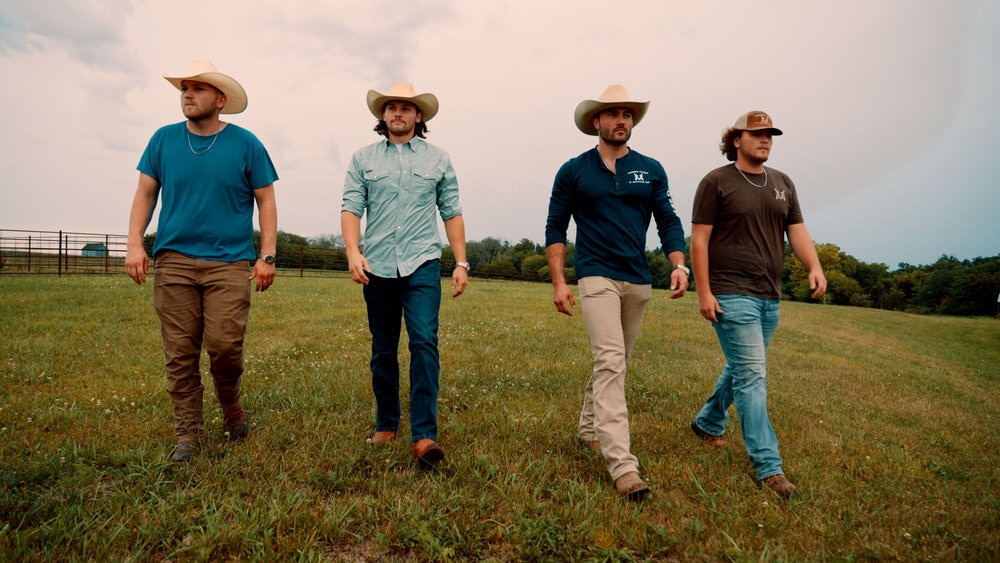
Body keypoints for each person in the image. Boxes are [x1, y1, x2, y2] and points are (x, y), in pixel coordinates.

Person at [125, 60, 279, 462]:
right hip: (174, 260)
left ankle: (231, 406)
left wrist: (267, 254)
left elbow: (266, 200)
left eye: (198, 88)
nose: (188, 94)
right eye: (184, 88)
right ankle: (188, 435)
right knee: (179, 352)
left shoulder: (247, 144)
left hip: (229, 263)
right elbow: (145, 194)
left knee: (225, 346)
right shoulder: (162, 140)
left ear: (220, 99)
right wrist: (134, 244)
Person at [545, 84, 689, 501]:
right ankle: (623, 467)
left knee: (617, 361)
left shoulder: (650, 169)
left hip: (638, 278)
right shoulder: (574, 170)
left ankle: (589, 429)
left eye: (627, 114)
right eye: (612, 114)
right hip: (596, 276)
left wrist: (678, 264)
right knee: (609, 360)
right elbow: (556, 226)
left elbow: (668, 219)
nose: (621, 120)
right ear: (597, 122)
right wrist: (559, 281)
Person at [688, 110, 826, 498]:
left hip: (769, 296)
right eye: (757, 134)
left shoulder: (783, 183)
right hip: (731, 292)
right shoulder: (717, 181)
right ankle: (769, 467)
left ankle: (708, 422)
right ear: (736, 140)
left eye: (770, 134)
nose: (765, 139)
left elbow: (796, 231)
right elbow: (699, 240)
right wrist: (705, 292)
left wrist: (814, 266)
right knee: (753, 377)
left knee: (743, 368)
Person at [341, 82, 468, 469]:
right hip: (376, 265)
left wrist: (461, 262)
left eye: (406, 107)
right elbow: (350, 207)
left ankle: (424, 434)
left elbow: (451, 211)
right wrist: (352, 251)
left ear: (419, 116)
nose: (398, 112)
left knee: (425, 343)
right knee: (382, 349)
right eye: (391, 107)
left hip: (422, 264)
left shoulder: (438, 159)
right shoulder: (363, 158)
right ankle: (386, 423)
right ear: (383, 116)